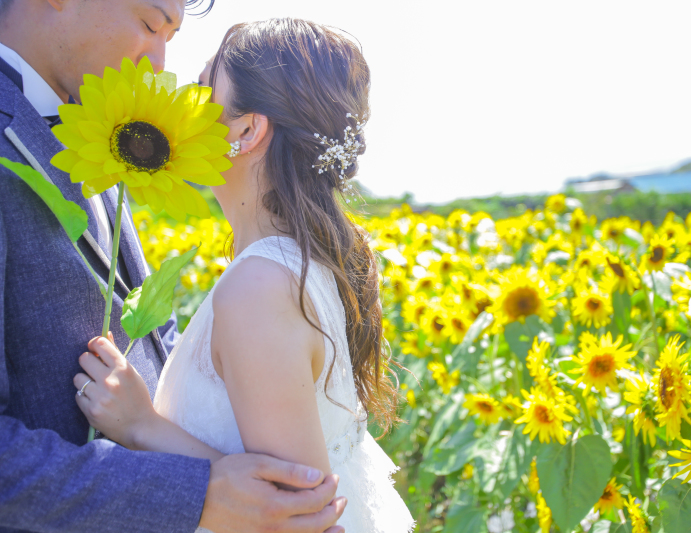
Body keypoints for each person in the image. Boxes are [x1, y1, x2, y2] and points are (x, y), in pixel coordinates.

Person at [0, 1, 346, 532]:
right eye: (148, 24)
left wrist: (152, 430)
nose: (159, 64)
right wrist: (200, 493)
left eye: (172, 36)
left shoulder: (105, 127)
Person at [72, 18, 416, 533]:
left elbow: (301, 512)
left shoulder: (261, 285)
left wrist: (143, 428)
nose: (181, 102)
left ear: (248, 131)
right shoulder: (294, 263)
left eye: (203, 90)